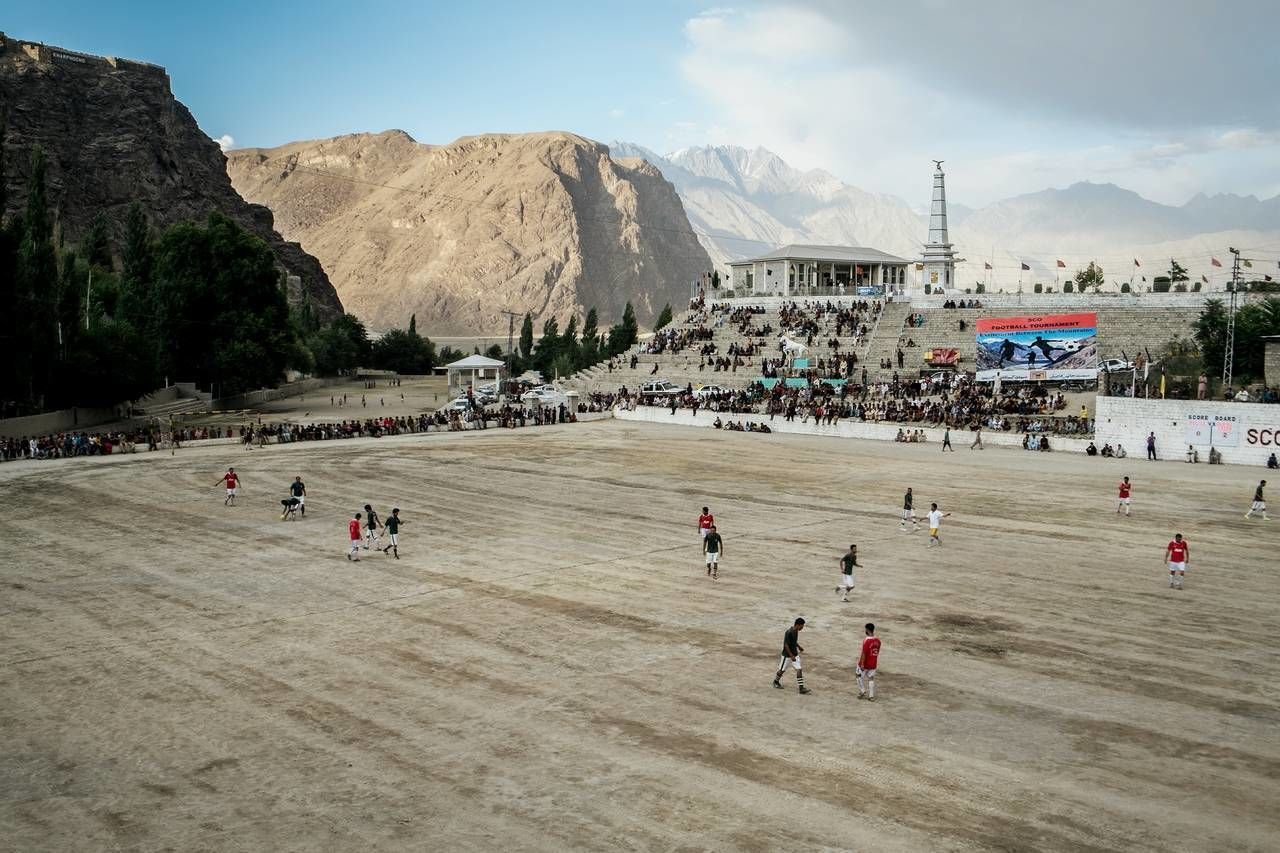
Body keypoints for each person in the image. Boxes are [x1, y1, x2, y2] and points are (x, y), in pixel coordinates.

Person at [772, 617, 810, 694]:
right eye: (802, 626)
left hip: (795, 655)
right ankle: (776, 681)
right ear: (797, 625)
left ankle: (801, 688)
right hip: (787, 656)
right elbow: (786, 645)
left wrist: (799, 647)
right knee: (781, 671)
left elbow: (794, 641)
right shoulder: (788, 632)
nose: (802, 628)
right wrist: (791, 655)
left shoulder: (796, 631)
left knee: (799, 670)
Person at [856, 622, 881, 701]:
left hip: (865, 663)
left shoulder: (866, 640)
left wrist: (862, 664)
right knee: (871, 678)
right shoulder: (878, 641)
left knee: (858, 675)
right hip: (873, 663)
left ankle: (862, 691)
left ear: (867, 630)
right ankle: (871, 696)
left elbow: (864, 653)